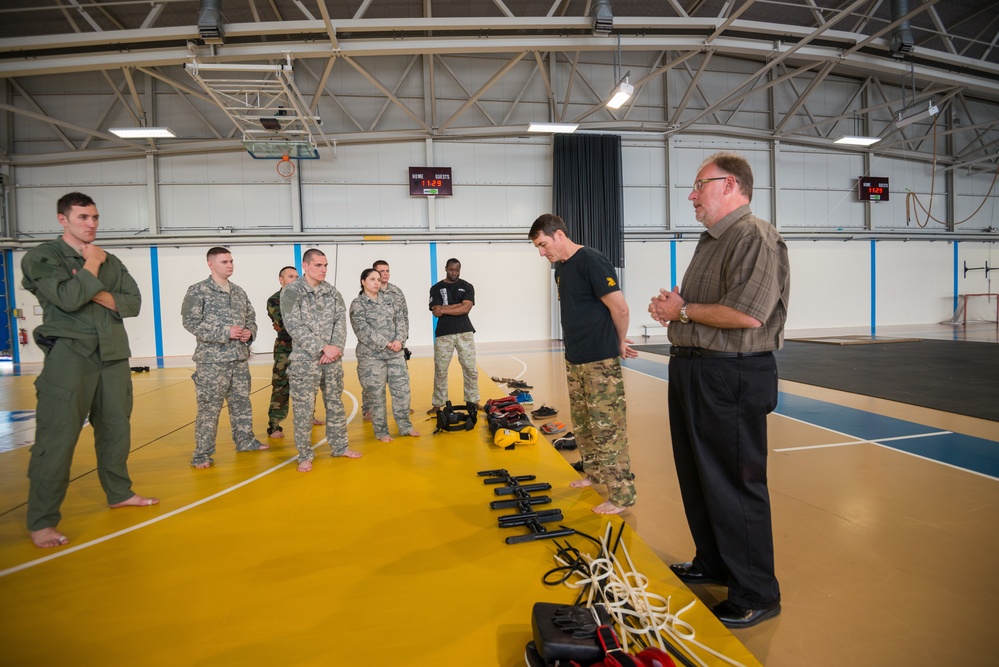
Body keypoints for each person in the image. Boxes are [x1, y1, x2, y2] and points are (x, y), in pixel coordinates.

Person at [648, 151, 790, 629]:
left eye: (698, 185)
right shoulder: (712, 240)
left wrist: (682, 311)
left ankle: (756, 592)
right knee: (699, 478)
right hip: (696, 370)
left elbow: (748, 314)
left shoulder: (755, 237)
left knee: (733, 485)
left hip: (730, 376)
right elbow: (701, 306)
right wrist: (678, 308)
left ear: (729, 185)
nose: (691, 196)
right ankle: (714, 563)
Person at [21, 192, 158, 548]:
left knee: (115, 430)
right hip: (70, 354)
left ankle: (119, 492)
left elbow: (133, 303)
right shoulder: (43, 257)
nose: (92, 224)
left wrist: (87, 285)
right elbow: (66, 299)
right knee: (58, 438)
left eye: (95, 217)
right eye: (83, 217)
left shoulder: (110, 260)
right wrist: (93, 267)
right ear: (62, 219)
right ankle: (42, 521)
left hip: (112, 354)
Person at [529, 214, 638, 515]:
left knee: (608, 429)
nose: (542, 253)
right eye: (538, 247)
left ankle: (622, 495)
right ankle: (596, 475)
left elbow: (620, 308)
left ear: (559, 235)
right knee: (584, 425)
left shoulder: (592, 260)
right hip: (575, 358)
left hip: (600, 360)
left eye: (543, 245)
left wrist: (619, 342)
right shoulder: (561, 270)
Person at [182, 247, 268, 468]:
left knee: (241, 403)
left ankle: (245, 441)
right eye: (224, 262)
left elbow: (251, 317)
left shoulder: (239, 292)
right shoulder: (197, 290)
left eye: (231, 261)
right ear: (211, 264)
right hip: (212, 362)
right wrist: (224, 332)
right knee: (209, 409)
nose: (229, 265)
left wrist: (250, 332)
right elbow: (190, 322)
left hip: (238, 358)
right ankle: (202, 454)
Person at [281, 248, 360, 472]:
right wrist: (322, 348)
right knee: (304, 409)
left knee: (335, 405)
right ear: (305, 266)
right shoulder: (291, 292)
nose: (323, 269)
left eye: (325, 265)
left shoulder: (332, 292)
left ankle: (340, 446)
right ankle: (305, 455)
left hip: (332, 360)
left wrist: (335, 349)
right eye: (318, 265)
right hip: (305, 361)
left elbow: (340, 323)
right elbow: (293, 325)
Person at [349, 268, 419, 441]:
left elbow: (401, 320)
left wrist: (400, 340)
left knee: (402, 391)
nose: (376, 282)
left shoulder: (390, 299)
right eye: (372, 279)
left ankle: (405, 426)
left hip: (395, 354)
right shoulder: (357, 304)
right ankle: (381, 431)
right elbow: (362, 330)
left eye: (378, 279)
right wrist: (386, 343)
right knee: (376, 395)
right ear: (363, 282)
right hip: (372, 357)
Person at [361, 260, 410, 421]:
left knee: (400, 379)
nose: (385, 274)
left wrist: (402, 339)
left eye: (387, 270)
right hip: (374, 348)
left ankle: (402, 408)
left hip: (396, 343)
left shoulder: (396, 292)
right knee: (372, 381)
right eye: (381, 271)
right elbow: (365, 325)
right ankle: (368, 408)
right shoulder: (367, 295)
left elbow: (403, 316)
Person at [428, 258, 478, 413]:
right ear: (446, 269)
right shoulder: (436, 288)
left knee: (470, 368)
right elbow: (436, 311)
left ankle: (473, 401)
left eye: (457, 270)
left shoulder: (467, 286)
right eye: (451, 269)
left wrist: (445, 309)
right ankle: (438, 403)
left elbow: (466, 309)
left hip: (465, 331)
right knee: (441, 369)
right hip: (444, 333)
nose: (454, 273)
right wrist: (458, 305)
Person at [266, 266, 298, 438]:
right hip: (285, 348)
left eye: (297, 276)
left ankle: (309, 416)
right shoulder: (275, 300)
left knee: (307, 385)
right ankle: (275, 425)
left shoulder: (304, 298)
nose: (295, 279)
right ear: (281, 279)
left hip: (303, 349)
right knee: (281, 386)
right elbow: (284, 325)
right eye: (290, 276)